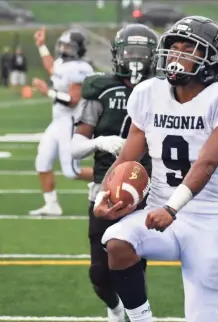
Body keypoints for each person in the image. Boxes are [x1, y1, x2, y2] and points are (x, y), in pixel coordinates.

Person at [93, 16, 218, 322]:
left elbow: (207, 162)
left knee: (201, 317)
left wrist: (172, 207)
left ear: (210, 59)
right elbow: (128, 157)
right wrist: (104, 195)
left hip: (208, 219)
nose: (177, 55)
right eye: (174, 48)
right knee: (117, 241)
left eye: (188, 49)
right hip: (159, 212)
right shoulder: (148, 93)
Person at [70, 24, 157, 322]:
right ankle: (115, 308)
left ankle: (137, 314)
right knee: (99, 273)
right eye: (129, 51)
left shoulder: (162, 90)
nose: (135, 58)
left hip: (145, 190)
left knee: (133, 263)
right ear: (117, 54)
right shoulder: (101, 89)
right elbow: (74, 147)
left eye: (141, 52)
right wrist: (100, 141)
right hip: (103, 188)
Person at [29, 28, 94, 216]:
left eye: (69, 46)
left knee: (72, 171)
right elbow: (52, 68)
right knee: (42, 161)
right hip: (57, 121)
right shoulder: (62, 63)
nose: (65, 49)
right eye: (63, 45)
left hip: (71, 122)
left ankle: (112, 177)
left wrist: (46, 92)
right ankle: (51, 205)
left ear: (79, 49)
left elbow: (73, 100)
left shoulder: (81, 68)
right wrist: (41, 46)